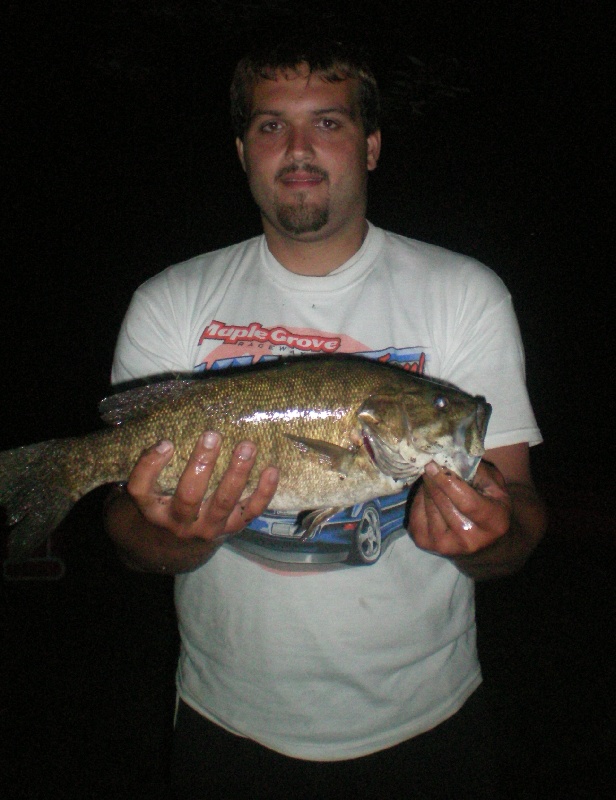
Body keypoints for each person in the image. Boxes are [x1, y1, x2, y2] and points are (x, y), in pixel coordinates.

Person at [105, 38, 546, 798]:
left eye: (330, 124)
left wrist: (492, 539)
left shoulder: (465, 292)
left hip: (427, 720)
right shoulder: (168, 301)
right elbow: (128, 532)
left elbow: (523, 515)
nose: (300, 149)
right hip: (227, 722)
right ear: (243, 149)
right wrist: (170, 535)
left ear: (371, 146)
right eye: (273, 126)